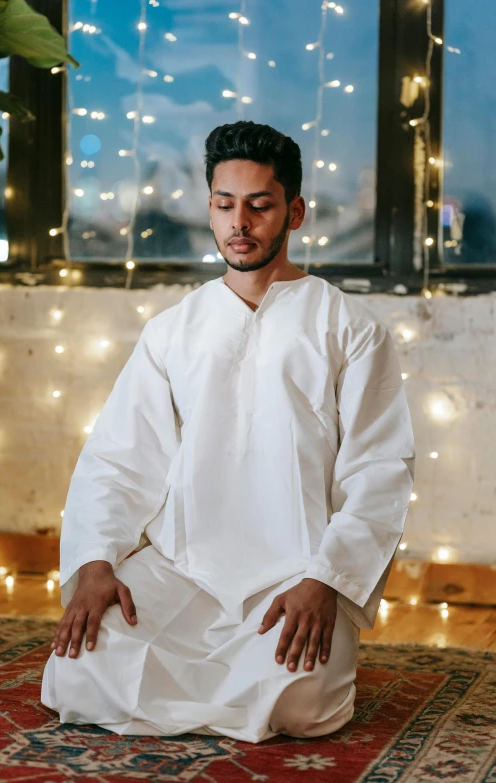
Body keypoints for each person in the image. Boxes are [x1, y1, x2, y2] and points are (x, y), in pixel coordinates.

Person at [41, 120, 415, 743]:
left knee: (305, 705)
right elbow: (118, 459)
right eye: (224, 205)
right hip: (184, 566)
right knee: (75, 674)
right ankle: (224, 701)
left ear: (294, 212)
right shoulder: (171, 331)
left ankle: (219, 691)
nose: (240, 223)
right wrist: (96, 561)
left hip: (297, 575)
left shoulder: (350, 327)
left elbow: (381, 469)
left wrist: (326, 581)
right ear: (210, 211)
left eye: (259, 205)